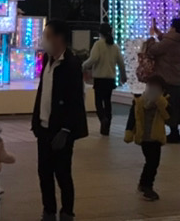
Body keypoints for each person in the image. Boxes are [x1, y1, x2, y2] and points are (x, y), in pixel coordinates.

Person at [31, 19, 88, 221]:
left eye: (47, 36)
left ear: (59, 38)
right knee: (44, 173)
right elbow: (43, 93)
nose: (44, 40)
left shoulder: (71, 64)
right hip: (44, 128)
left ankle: (67, 212)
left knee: (62, 173)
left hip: (61, 130)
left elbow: (75, 99)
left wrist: (66, 129)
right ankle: (48, 210)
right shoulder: (47, 60)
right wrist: (36, 122)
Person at [124, 74, 169, 202]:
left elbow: (168, 117)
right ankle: (146, 186)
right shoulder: (139, 101)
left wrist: (161, 102)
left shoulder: (163, 102)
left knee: (153, 163)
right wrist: (129, 131)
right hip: (144, 138)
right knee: (151, 162)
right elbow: (132, 117)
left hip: (156, 137)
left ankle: (144, 185)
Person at [144, 17, 180, 143]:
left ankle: (162, 133)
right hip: (176, 77)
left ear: (174, 28)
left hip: (165, 78)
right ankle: (174, 132)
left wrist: (152, 37)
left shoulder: (169, 43)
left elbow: (154, 50)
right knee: (174, 107)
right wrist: (158, 33)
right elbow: (167, 41)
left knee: (164, 106)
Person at [83, 23, 126, 136]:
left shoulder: (98, 44)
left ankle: (102, 119)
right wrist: (123, 76)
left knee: (98, 102)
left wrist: (83, 66)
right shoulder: (115, 47)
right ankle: (106, 129)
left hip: (99, 78)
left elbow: (93, 59)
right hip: (110, 79)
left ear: (100, 32)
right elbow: (121, 63)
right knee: (108, 102)